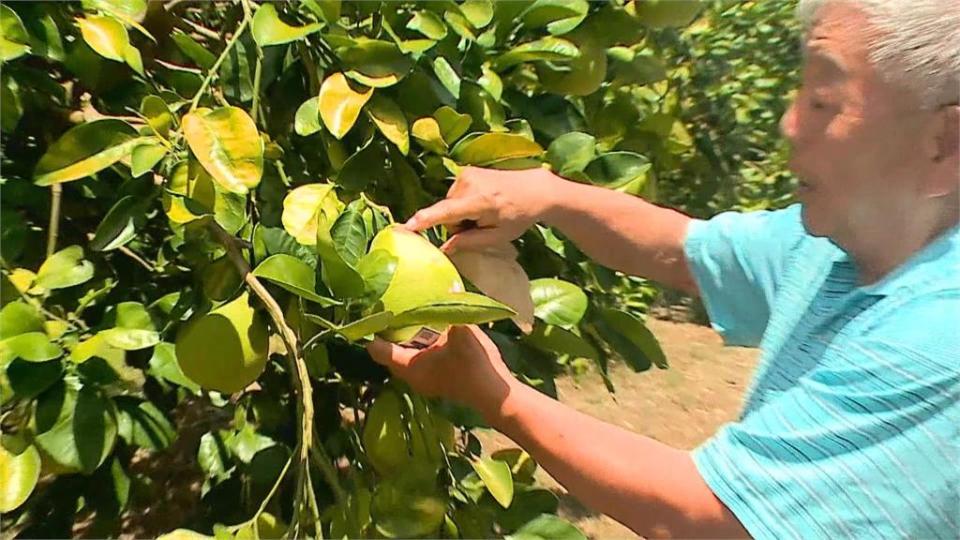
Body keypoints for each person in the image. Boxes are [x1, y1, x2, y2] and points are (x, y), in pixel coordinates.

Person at [367, 0, 960, 537]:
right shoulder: (844, 242)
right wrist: (545, 195)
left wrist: (496, 397)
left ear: (945, 141)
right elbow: (683, 249)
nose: (789, 123)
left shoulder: (938, 338)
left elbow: (710, 518)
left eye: (824, 102)